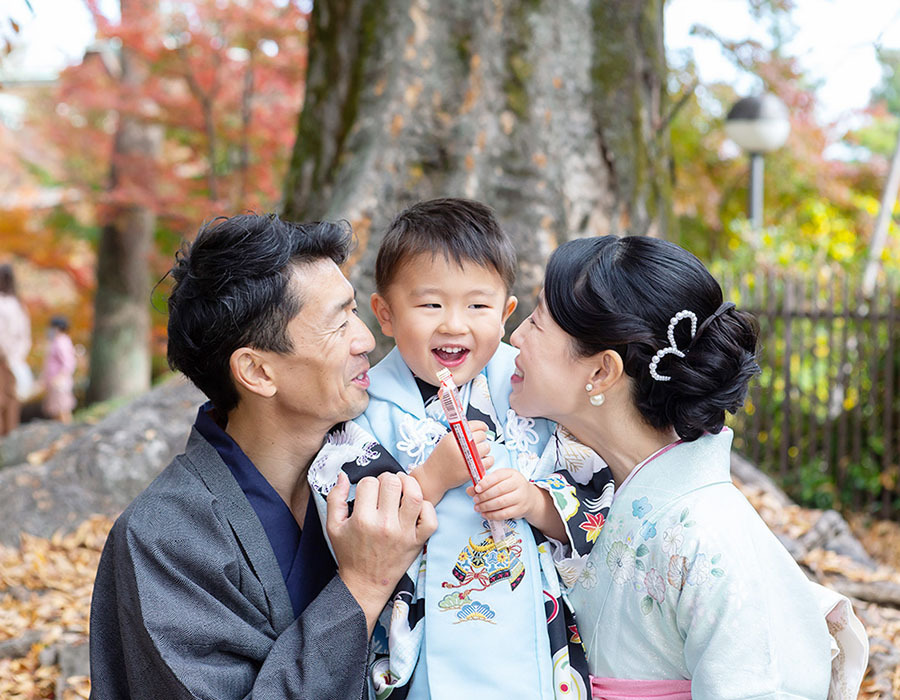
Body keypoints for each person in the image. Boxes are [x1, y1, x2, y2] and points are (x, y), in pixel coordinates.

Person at [89, 214, 437, 700]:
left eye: (355, 311)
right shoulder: (161, 538)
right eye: (338, 324)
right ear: (257, 371)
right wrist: (362, 586)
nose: (365, 340)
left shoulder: (393, 452)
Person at [505, 235, 868, 699]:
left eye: (536, 321)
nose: (514, 335)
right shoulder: (575, 481)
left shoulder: (706, 534)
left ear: (600, 372)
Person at [308, 199, 614, 699]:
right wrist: (433, 475)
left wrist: (536, 502)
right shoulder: (366, 407)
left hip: (532, 637)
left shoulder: (529, 391)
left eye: (477, 306)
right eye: (430, 305)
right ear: (384, 312)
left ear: (506, 312)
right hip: (428, 642)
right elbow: (346, 518)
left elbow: (596, 495)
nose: (454, 324)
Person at [0, 263, 32, 434]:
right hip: (14, 360)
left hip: (3, 360)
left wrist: (5, 355)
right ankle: (10, 438)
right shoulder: (19, 305)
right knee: (12, 402)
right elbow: (25, 337)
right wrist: (17, 356)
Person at [40, 315, 77, 423]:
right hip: (54, 382)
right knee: (55, 411)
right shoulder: (56, 342)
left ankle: (68, 436)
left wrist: (59, 377)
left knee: (62, 411)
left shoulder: (62, 342)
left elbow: (69, 363)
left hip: (60, 384)